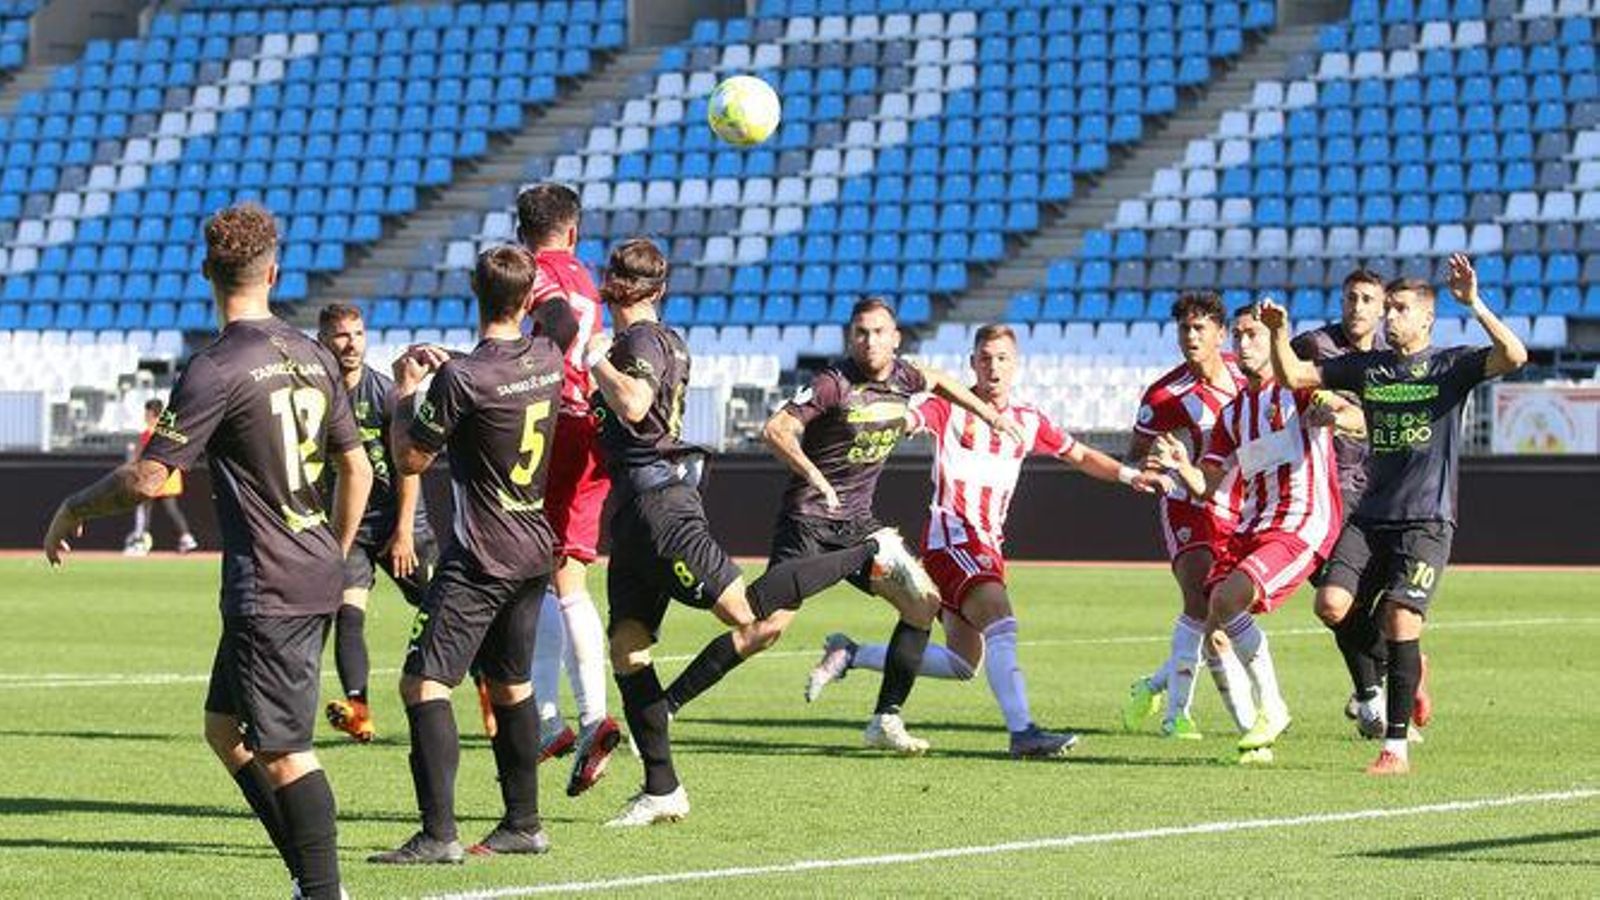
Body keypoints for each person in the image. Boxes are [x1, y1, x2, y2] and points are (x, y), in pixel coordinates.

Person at [44, 202, 371, 899]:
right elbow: (360, 468)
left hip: (271, 584)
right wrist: (332, 550)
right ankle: (306, 877)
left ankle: (323, 891)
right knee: (225, 729)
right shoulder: (313, 356)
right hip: (310, 565)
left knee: (285, 751)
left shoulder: (217, 367)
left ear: (205, 273)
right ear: (274, 271)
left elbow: (149, 478)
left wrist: (72, 506)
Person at [588, 240, 925, 826]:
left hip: (659, 504)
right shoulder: (648, 341)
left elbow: (636, 403)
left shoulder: (638, 342)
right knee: (628, 646)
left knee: (747, 614)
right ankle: (662, 788)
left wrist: (595, 360)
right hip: (633, 509)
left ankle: (865, 551)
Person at [660, 297, 1025, 756]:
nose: (869, 341)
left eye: (878, 332)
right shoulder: (833, 384)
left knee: (922, 602)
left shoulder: (904, 376)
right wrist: (814, 476)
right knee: (765, 630)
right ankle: (664, 707)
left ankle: (885, 719)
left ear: (896, 339)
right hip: (809, 522)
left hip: (857, 525)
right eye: (860, 333)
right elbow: (776, 429)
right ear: (849, 339)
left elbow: (940, 381)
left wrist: (988, 414)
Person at [805, 324, 1169, 757]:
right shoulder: (948, 407)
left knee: (964, 663)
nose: (993, 367)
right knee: (1002, 619)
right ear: (972, 364)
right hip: (953, 539)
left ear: (1016, 365)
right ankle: (1023, 732)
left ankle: (851, 653)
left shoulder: (1028, 420)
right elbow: (910, 419)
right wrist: (881, 421)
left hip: (985, 545)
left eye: (1002, 358)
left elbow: (1080, 455)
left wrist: (1131, 476)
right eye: (985, 358)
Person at [1266, 254, 1527, 774]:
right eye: (1389, 309)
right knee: (1331, 605)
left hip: (1426, 520)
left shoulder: (1451, 366)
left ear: (1426, 318)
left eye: (1400, 309)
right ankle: (1404, 667)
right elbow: (1293, 374)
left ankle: (1395, 747)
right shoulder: (1370, 368)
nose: (1390, 318)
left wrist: (1473, 302)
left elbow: (1514, 356)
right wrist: (1280, 332)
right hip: (1369, 515)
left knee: (1401, 617)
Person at [368, 246, 566, 863]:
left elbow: (409, 458)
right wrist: (452, 364)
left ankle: (437, 835)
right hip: (535, 548)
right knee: (510, 686)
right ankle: (523, 824)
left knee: (422, 684)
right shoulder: (548, 355)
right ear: (528, 298)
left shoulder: (462, 379)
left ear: (473, 295)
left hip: (481, 554)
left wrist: (405, 393)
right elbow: (507, 364)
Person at [1149, 303, 1360, 760]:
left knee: (1224, 602)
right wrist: (1181, 467)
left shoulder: (1301, 392)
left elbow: (1358, 418)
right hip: (1252, 525)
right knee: (1217, 619)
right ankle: (1254, 729)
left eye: (1255, 336)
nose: (1244, 345)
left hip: (1301, 521)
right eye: (1240, 336)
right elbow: (1207, 486)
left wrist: (1337, 417)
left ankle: (1274, 708)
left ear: (1273, 342)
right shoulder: (1232, 414)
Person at [515, 183, 622, 796]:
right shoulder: (585, 277)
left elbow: (545, 336)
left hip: (543, 427)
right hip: (590, 427)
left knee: (529, 578)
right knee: (570, 579)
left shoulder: (528, 275)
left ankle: (550, 717)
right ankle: (586, 716)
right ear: (573, 232)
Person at [1121, 292, 1252, 740]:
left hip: (1239, 505)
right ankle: (1177, 715)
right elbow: (1137, 453)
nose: (1191, 336)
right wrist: (1157, 465)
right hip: (1187, 505)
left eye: (1200, 328)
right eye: (1184, 329)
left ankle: (1153, 685)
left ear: (1221, 332)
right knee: (1199, 604)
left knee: (1224, 618)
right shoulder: (1163, 395)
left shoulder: (1245, 371)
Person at [1290, 270, 1413, 739]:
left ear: (1382, 308)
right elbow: (1278, 386)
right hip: (1324, 490)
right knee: (1338, 600)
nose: (1357, 306)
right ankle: (1388, 679)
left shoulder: (1394, 355)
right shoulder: (1315, 346)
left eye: (1367, 299)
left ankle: (1373, 692)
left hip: (1387, 490)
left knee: (1374, 600)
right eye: (1350, 297)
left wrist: (1353, 416)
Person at [316, 302, 440, 743]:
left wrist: (404, 531)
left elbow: (408, 468)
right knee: (348, 615)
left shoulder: (385, 394)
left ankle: (489, 694)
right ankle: (359, 711)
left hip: (400, 523)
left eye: (358, 334)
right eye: (342, 336)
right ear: (322, 341)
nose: (352, 344)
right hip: (352, 529)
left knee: (445, 611)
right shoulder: (318, 396)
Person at [121, 398, 199, 556]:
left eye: (146, 412)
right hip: (169, 477)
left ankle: (141, 543)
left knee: (144, 509)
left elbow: (141, 456)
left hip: (153, 478)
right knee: (171, 509)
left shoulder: (148, 433)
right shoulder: (169, 430)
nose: (145, 416)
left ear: (150, 413)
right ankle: (186, 537)